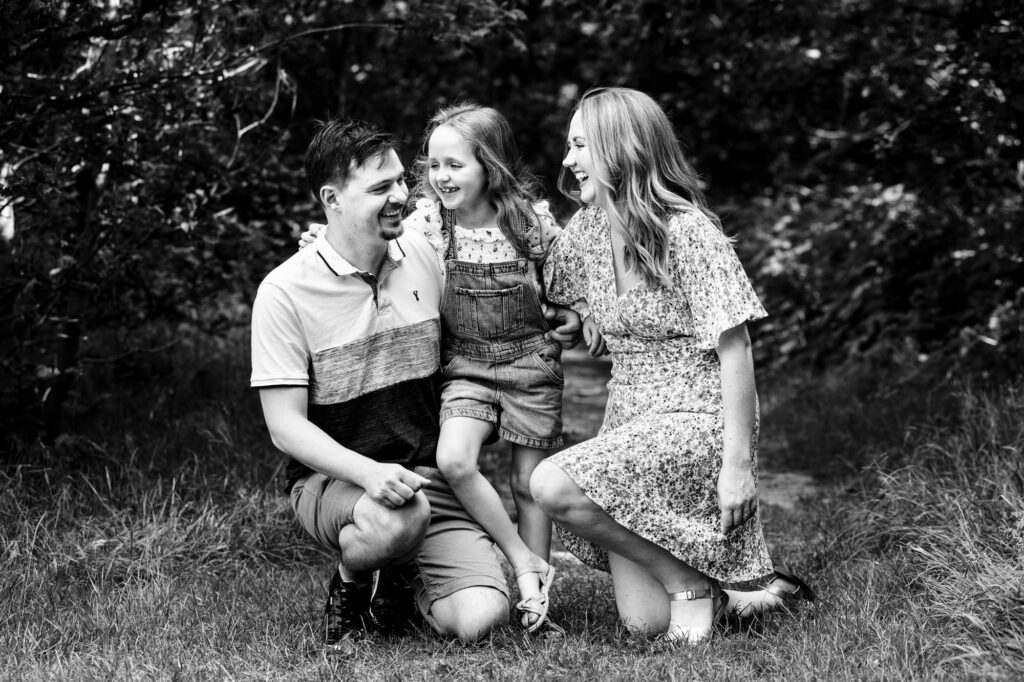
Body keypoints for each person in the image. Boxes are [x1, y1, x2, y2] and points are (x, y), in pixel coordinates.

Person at [250, 117, 581, 654]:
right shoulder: (285, 291)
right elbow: (284, 427)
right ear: (332, 199)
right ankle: (353, 584)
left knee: (481, 618)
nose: (402, 196)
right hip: (339, 481)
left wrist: (560, 309)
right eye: (380, 188)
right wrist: (369, 473)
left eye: (402, 181)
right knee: (396, 517)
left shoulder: (430, 253)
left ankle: (403, 578)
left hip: (430, 481)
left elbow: (504, 287)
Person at [530, 87, 813, 644]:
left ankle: (690, 584)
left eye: (580, 145)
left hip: (696, 421)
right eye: (569, 145)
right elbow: (549, 283)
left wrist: (738, 466)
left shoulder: (687, 232)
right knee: (644, 623)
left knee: (552, 483)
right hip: (630, 421)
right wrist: (579, 313)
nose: (567, 160)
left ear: (621, 150)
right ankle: (747, 595)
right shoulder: (588, 229)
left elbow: (736, 349)